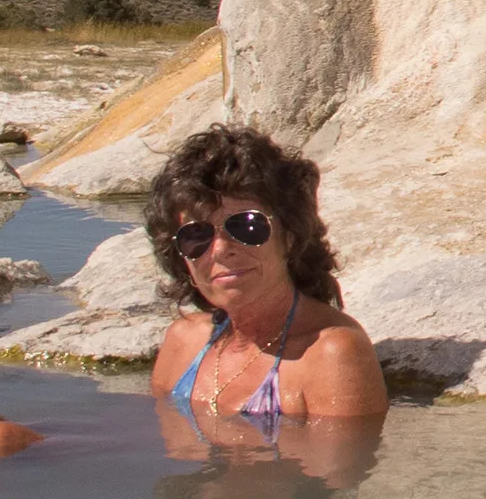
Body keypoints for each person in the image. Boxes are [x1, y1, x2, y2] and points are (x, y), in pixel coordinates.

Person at [147, 124, 390, 425]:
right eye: (196, 235)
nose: (221, 249)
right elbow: (175, 459)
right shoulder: (183, 341)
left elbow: (341, 471)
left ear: (288, 236)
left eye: (247, 226)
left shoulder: (330, 354)